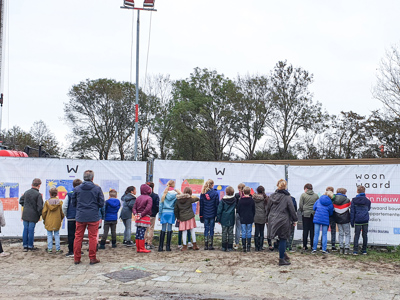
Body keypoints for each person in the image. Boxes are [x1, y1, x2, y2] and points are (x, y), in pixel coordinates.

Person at [72, 170, 104, 265]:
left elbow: (73, 203)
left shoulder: (77, 189)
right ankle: (92, 258)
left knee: (78, 237)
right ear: (92, 178)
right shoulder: (97, 189)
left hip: (80, 216)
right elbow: (102, 203)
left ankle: (77, 258)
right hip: (93, 216)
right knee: (93, 238)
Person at [266, 179, 298, 266]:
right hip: (283, 220)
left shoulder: (272, 196)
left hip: (273, 219)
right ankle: (281, 259)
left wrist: (267, 218)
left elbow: (268, 208)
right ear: (285, 187)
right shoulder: (287, 198)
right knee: (283, 238)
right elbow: (292, 209)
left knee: (279, 237)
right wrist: (295, 219)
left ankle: (282, 253)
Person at [19, 178, 44, 252]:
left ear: (32, 184)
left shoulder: (26, 192)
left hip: (26, 214)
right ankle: (30, 246)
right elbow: (40, 207)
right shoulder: (38, 195)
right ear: (39, 185)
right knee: (31, 230)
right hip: (33, 215)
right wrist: (40, 214)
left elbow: (21, 201)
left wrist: (25, 206)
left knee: (25, 229)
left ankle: (25, 246)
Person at [174, 187, 200, 251]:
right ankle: (194, 245)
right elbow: (197, 199)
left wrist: (178, 218)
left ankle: (184, 246)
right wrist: (191, 196)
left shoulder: (178, 200)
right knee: (192, 231)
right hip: (190, 217)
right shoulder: (189, 199)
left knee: (184, 232)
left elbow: (176, 210)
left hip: (182, 218)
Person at [63, 178, 83, 257]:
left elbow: (64, 206)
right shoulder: (82, 194)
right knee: (79, 235)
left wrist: (67, 215)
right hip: (80, 217)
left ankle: (71, 251)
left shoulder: (69, 194)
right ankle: (78, 250)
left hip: (71, 217)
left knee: (71, 235)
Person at [158, 180, 180, 252]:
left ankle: (160, 247)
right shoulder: (176, 194)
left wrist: (160, 215)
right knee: (170, 229)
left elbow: (161, 205)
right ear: (173, 185)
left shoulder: (163, 193)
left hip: (164, 212)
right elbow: (176, 205)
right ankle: (168, 247)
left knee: (163, 229)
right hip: (171, 212)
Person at [42, 187, 64, 254]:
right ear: (56, 194)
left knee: (49, 235)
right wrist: (61, 218)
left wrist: (44, 219)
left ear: (50, 194)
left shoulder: (47, 202)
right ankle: (58, 249)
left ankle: (50, 249)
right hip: (57, 220)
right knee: (57, 234)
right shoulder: (60, 202)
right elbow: (62, 212)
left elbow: (44, 212)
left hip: (49, 220)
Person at [351, 185, 371, 255]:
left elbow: (352, 212)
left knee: (356, 235)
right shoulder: (368, 200)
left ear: (357, 191)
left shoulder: (353, 200)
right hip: (365, 219)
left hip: (357, 220)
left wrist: (352, 222)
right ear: (364, 191)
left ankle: (355, 250)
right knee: (365, 235)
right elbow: (368, 209)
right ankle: (364, 250)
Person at [132, 184, 153, 253]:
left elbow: (134, 207)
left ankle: (138, 248)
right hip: (145, 217)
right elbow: (148, 208)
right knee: (142, 232)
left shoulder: (138, 198)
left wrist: (136, 214)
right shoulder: (149, 198)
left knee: (138, 232)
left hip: (138, 218)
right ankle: (142, 248)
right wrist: (142, 214)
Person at [200, 179, 219, 250]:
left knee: (206, 229)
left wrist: (201, 215)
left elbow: (201, 206)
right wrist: (217, 215)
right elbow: (217, 205)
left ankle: (205, 245)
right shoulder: (215, 193)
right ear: (212, 185)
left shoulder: (202, 193)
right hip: (213, 214)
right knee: (211, 229)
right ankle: (211, 245)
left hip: (205, 214)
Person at [299, 183, 319, 251]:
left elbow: (301, 205)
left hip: (305, 214)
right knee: (312, 230)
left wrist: (303, 211)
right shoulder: (316, 195)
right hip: (313, 214)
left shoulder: (303, 195)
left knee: (305, 230)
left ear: (306, 188)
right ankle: (312, 245)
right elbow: (317, 205)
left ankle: (304, 245)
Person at [216, 186, 236, 252]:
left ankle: (224, 247)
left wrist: (218, 219)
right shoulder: (235, 200)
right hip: (231, 218)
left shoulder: (223, 200)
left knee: (224, 232)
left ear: (226, 192)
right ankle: (230, 247)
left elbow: (219, 210)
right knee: (230, 233)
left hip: (224, 218)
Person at [333, 188, 351, 255]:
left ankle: (341, 248)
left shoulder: (333, 200)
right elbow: (351, 208)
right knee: (347, 234)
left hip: (338, 219)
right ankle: (346, 248)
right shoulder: (347, 200)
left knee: (340, 233)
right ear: (344, 193)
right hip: (345, 219)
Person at [237, 186, 255, 253]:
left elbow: (238, 209)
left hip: (243, 218)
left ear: (243, 192)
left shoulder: (241, 200)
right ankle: (248, 246)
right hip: (250, 217)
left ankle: (244, 246)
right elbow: (254, 210)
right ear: (250, 192)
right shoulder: (252, 200)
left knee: (243, 232)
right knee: (249, 231)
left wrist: (241, 214)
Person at [145, 182, 160, 250]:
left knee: (145, 228)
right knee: (151, 228)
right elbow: (157, 206)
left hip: (145, 214)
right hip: (152, 214)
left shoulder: (144, 196)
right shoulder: (155, 196)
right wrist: (156, 212)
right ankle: (149, 242)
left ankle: (144, 241)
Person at [253, 186, 268, 252]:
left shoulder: (254, 198)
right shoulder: (265, 198)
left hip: (256, 216)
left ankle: (256, 247)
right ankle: (261, 246)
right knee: (262, 232)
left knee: (256, 231)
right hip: (263, 216)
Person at [234, 183, 245, 249]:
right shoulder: (249, 195)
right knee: (245, 229)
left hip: (238, 213)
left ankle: (237, 243)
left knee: (238, 229)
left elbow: (235, 205)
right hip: (245, 214)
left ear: (238, 188)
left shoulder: (237, 195)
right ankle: (244, 244)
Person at [325, 186, 337, 251]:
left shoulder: (323, 198)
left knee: (325, 231)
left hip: (326, 216)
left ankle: (322, 245)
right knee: (333, 231)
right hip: (333, 215)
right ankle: (333, 245)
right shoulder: (335, 198)